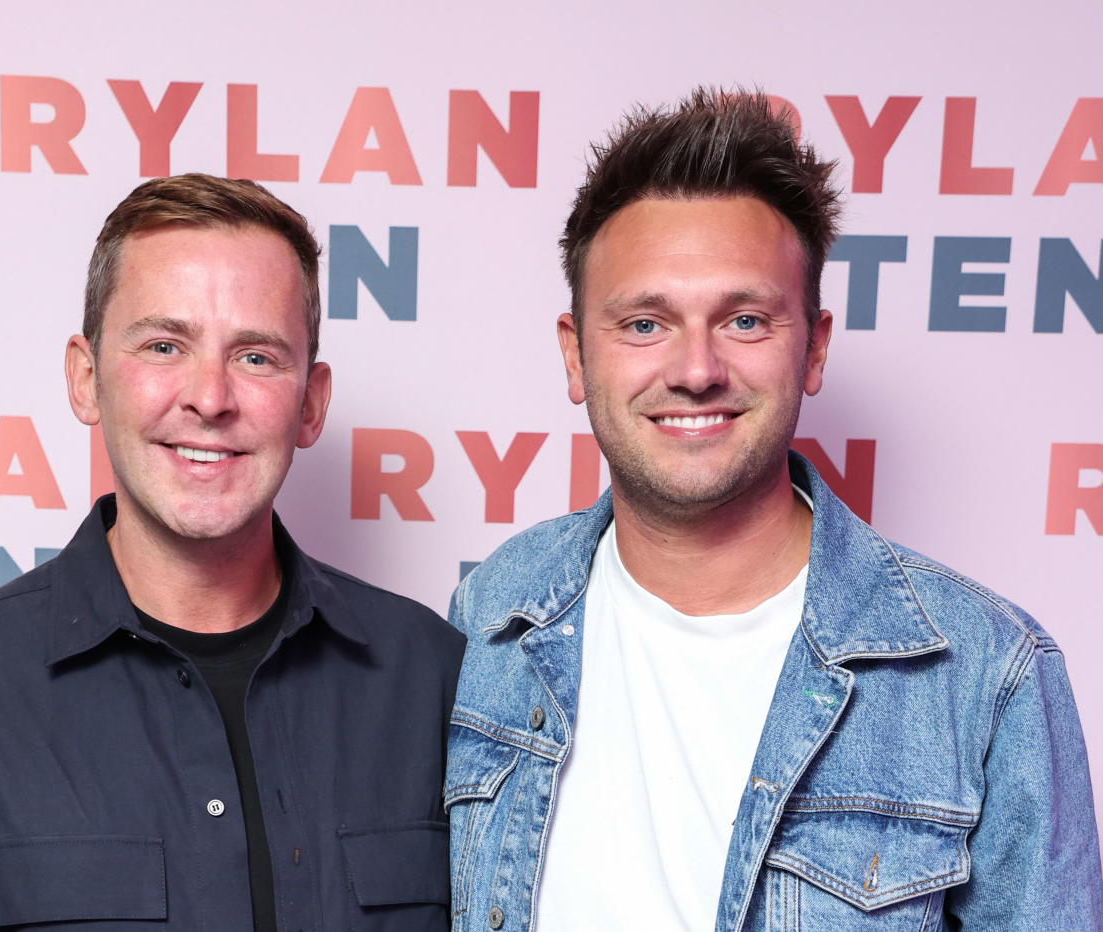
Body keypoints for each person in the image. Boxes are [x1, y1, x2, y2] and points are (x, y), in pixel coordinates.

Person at [444, 90, 1103, 931]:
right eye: (645, 323)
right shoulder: (491, 615)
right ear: (577, 355)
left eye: (745, 319)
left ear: (814, 346)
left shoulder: (986, 675)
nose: (695, 369)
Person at [0, 173, 463, 930]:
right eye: (163, 345)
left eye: (256, 357)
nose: (209, 397)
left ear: (310, 403)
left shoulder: (437, 682)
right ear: (86, 379)